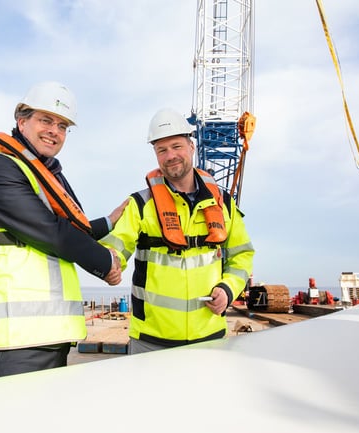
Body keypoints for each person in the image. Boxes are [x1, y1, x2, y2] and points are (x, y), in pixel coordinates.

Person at [0, 81, 124, 378]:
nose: (55, 131)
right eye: (46, 120)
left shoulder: (40, 173)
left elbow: (68, 228)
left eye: (62, 126)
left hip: (47, 333)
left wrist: (108, 223)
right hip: (16, 336)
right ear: (22, 122)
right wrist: (106, 263)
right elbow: (52, 232)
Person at [100, 107, 254, 354]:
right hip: (151, 340)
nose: (170, 155)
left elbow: (242, 256)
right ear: (155, 154)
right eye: (162, 149)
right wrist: (107, 264)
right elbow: (115, 247)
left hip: (210, 337)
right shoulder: (140, 204)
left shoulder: (223, 203)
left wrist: (227, 290)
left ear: (191, 147)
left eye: (176, 146)